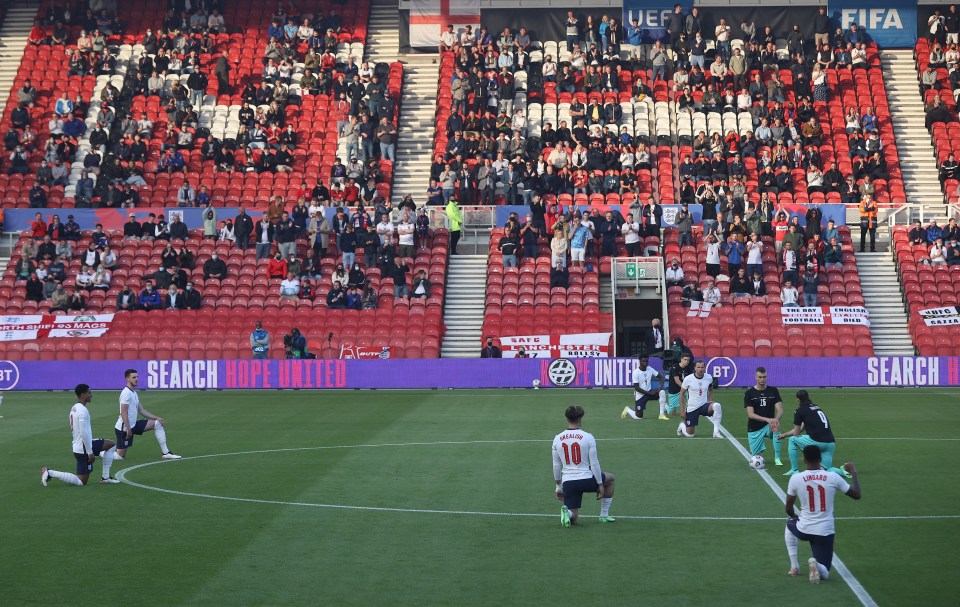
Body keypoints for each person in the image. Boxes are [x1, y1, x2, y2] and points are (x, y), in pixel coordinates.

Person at [784, 447, 861, 582]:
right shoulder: (833, 477)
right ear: (820, 459)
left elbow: (789, 508)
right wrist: (853, 472)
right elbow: (856, 495)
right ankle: (818, 566)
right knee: (825, 572)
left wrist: (796, 517)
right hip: (825, 531)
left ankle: (794, 566)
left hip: (803, 529)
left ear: (804, 460)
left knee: (790, 522)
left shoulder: (796, 478)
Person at [41, 384, 119, 487]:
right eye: (89, 392)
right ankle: (50, 473)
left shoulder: (74, 408)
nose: (91, 395)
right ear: (82, 394)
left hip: (78, 446)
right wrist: (90, 453)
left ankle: (106, 477)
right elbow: (83, 432)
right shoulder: (82, 410)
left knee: (111, 444)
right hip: (83, 449)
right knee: (81, 482)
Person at [552, 405, 616, 526]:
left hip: (569, 483)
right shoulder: (588, 437)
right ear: (580, 419)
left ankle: (568, 514)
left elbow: (556, 465)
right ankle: (604, 515)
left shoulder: (557, 438)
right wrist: (600, 484)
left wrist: (558, 486)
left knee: (574, 518)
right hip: (586, 480)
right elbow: (594, 462)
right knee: (611, 479)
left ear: (567, 419)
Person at [778, 390, 850, 478]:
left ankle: (794, 469)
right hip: (830, 443)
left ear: (798, 400)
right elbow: (803, 426)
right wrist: (784, 435)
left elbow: (796, 433)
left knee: (792, 439)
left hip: (817, 442)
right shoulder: (816, 407)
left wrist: (785, 435)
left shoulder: (799, 411)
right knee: (825, 470)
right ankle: (844, 472)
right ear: (809, 397)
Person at [114, 369, 181, 461]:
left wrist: (157, 417)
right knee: (120, 457)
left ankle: (166, 453)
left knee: (157, 423)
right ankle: (99, 451)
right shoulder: (126, 393)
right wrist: (128, 429)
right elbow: (123, 412)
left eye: (137, 377)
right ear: (127, 379)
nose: (136, 379)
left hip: (133, 425)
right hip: (125, 429)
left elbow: (141, 410)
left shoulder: (133, 393)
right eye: (133, 377)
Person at [744, 367, 784, 466]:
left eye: (764, 377)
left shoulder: (773, 391)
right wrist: (767, 419)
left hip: (768, 427)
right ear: (756, 377)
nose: (762, 379)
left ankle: (777, 458)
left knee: (776, 425)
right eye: (760, 377)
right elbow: (750, 414)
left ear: (767, 377)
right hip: (754, 428)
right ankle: (759, 452)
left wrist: (776, 420)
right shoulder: (749, 393)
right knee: (758, 458)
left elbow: (780, 410)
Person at [678, 359, 723, 438]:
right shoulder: (688, 379)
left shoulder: (708, 377)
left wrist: (710, 401)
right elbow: (681, 394)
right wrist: (682, 411)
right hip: (692, 408)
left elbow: (711, 390)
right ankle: (682, 425)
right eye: (698, 367)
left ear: (705, 368)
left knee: (717, 405)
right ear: (695, 368)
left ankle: (716, 432)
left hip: (704, 406)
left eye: (702, 367)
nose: (700, 369)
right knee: (690, 435)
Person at [621, 355, 666, 420]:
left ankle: (661, 415)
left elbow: (660, 377)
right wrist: (649, 393)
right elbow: (636, 388)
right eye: (643, 361)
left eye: (646, 361)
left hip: (649, 392)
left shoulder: (649, 369)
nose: (645, 362)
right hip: (640, 395)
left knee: (662, 392)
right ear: (640, 361)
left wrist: (660, 387)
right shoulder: (636, 372)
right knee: (638, 417)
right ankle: (627, 409)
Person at [663, 352, 693, 419]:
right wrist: (684, 388)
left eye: (688, 360)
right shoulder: (674, 368)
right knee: (672, 413)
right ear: (681, 359)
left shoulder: (689, 369)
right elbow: (677, 381)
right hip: (674, 391)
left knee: (692, 395)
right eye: (685, 359)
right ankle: (665, 406)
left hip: (684, 390)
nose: (686, 361)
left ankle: (690, 410)